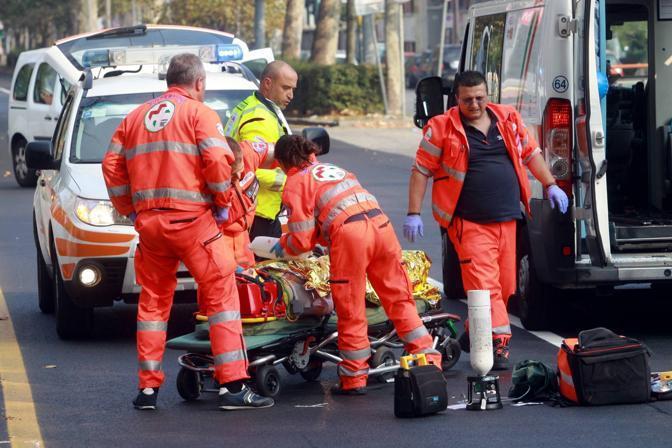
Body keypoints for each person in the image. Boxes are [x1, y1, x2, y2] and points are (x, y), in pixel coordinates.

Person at [102, 53, 273, 411]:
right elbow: (216, 159)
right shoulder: (200, 114)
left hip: (150, 227)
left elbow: (112, 165)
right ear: (198, 83)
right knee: (222, 300)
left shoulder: (134, 118)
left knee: (152, 304)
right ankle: (233, 386)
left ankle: (148, 389)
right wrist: (223, 199)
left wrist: (129, 209)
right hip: (194, 224)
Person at [403, 71, 569, 370]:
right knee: (485, 286)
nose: (475, 105)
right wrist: (413, 213)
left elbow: (531, 154)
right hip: (469, 222)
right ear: (456, 98)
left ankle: (474, 331)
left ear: (487, 95)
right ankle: (499, 344)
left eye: (480, 98)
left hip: (507, 218)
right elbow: (421, 170)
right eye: (468, 100)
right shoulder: (441, 127)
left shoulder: (507, 118)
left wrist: (551, 184)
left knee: (505, 287)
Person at [271, 135, 442, 395]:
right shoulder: (335, 170)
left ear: (283, 162)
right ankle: (428, 358)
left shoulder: (296, 182)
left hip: (351, 237)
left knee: (350, 306)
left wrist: (280, 247)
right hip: (382, 228)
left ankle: (354, 377)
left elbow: (302, 241)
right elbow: (337, 210)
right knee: (400, 299)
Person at [225, 60, 298, 243]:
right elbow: (251, 168)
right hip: (258, 213)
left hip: (250, 211)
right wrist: (291, 182)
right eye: (285, 88)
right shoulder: (260, 117)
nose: (291, 95)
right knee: (263, 270)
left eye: (293, 89)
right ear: (267, 83)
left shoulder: (253, 106)